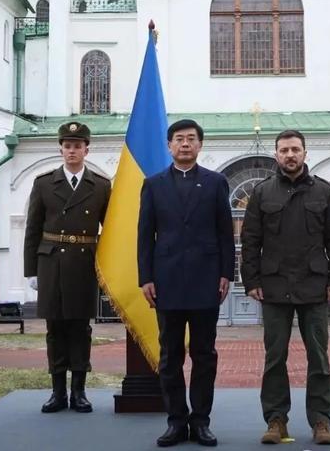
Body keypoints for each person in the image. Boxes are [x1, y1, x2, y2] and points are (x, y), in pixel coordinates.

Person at [241, 130, 330, 446]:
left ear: (305, 153)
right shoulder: (262, 193)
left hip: (314, 286)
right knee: (275, 358)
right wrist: (252, 281)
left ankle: (321, 421)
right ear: (276, 155)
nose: (290, 155)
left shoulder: (324, 192)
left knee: (319, 357)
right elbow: (250, 241)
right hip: (274, 287)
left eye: (295, 149)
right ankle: (276, 420)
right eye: (284, 150)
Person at [138, 119, 235, 448]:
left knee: (205, 354)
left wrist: (227, 273)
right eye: (179, 139)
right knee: (170, 355)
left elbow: (225, 233)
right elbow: (144, 236)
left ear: (200, 145)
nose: (184, 144)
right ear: (169, 145)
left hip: (207, 279)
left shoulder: (215, 182)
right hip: (165, 281)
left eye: (191, 139)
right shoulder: (153, 185)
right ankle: (176, 421)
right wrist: (145, 277)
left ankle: (201, 421)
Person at [23, 121, 111, 414]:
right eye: (67, 145)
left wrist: (107, 269)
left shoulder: (100, 185)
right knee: (55, 329)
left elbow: (109, 230)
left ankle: (79, 392)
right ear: (60, 148)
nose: (72, 151)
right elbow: (32, 229)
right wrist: (31, 271)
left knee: (80, 329)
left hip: (84, 263)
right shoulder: (44, 183)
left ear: (87, 149)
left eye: (77, 146)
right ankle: (57, 392)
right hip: (51, 263)